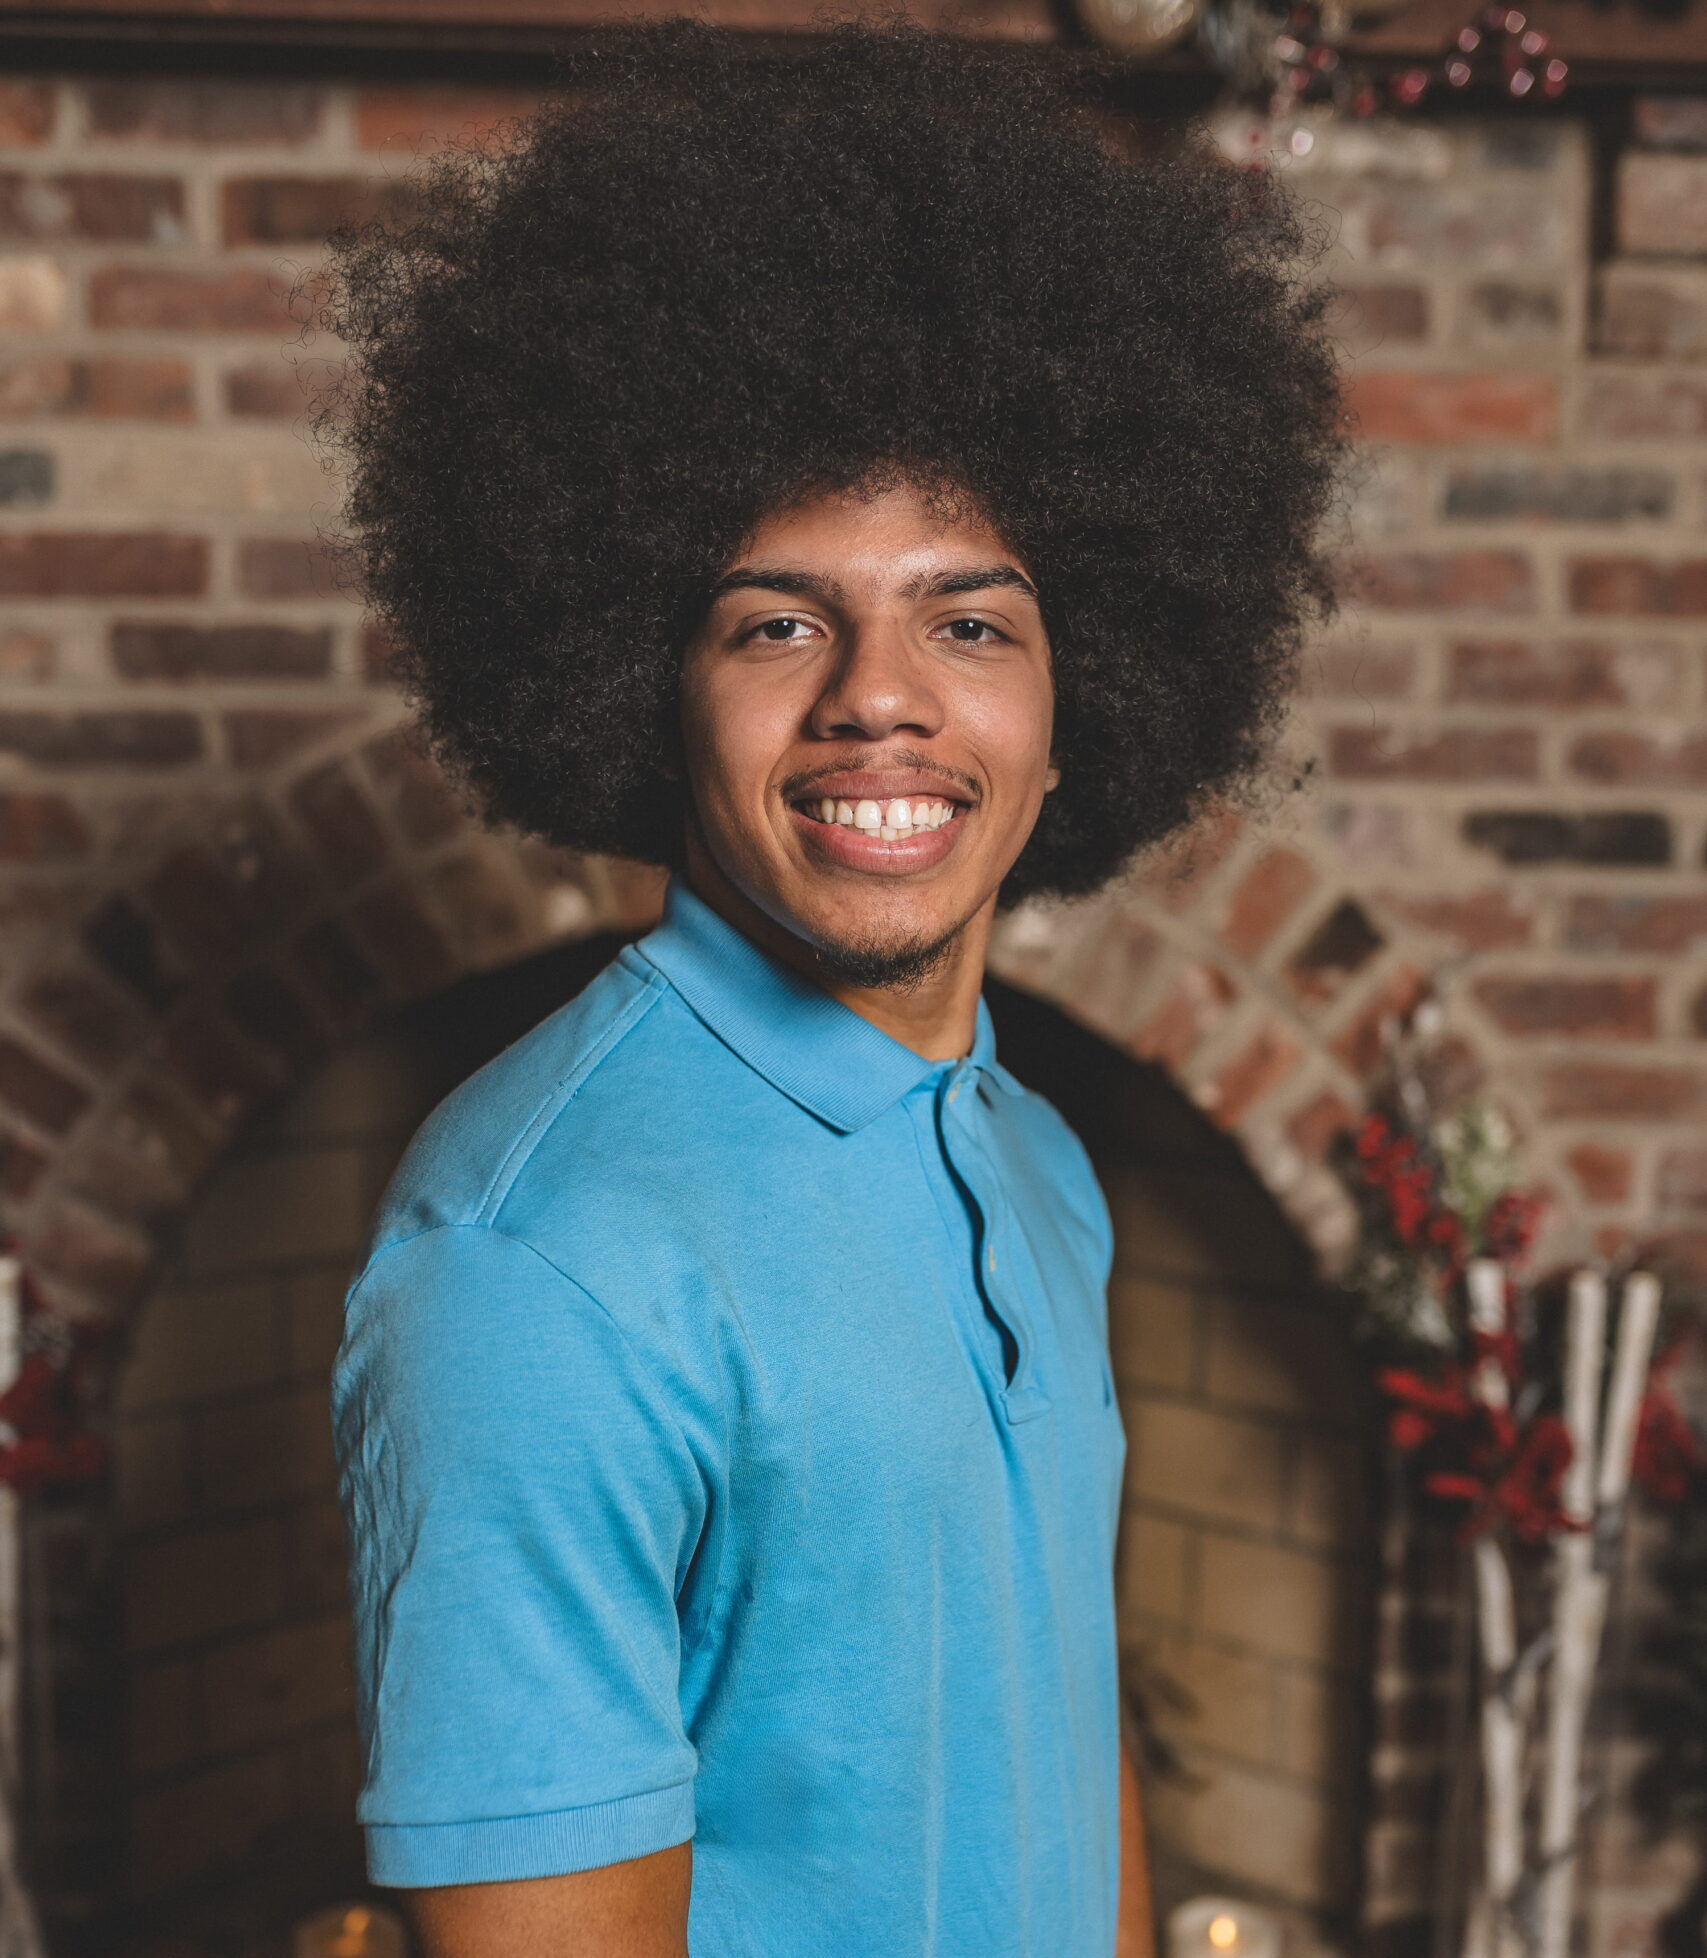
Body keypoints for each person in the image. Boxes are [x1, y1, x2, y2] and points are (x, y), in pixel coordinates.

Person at [326, 22, 1343, 1957]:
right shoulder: (532, 1262)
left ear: (1077, 713)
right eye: (778, 618)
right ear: (647, 685)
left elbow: (1062, 1716)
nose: (880, 693)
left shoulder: (1032, 1156)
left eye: (971, 619)